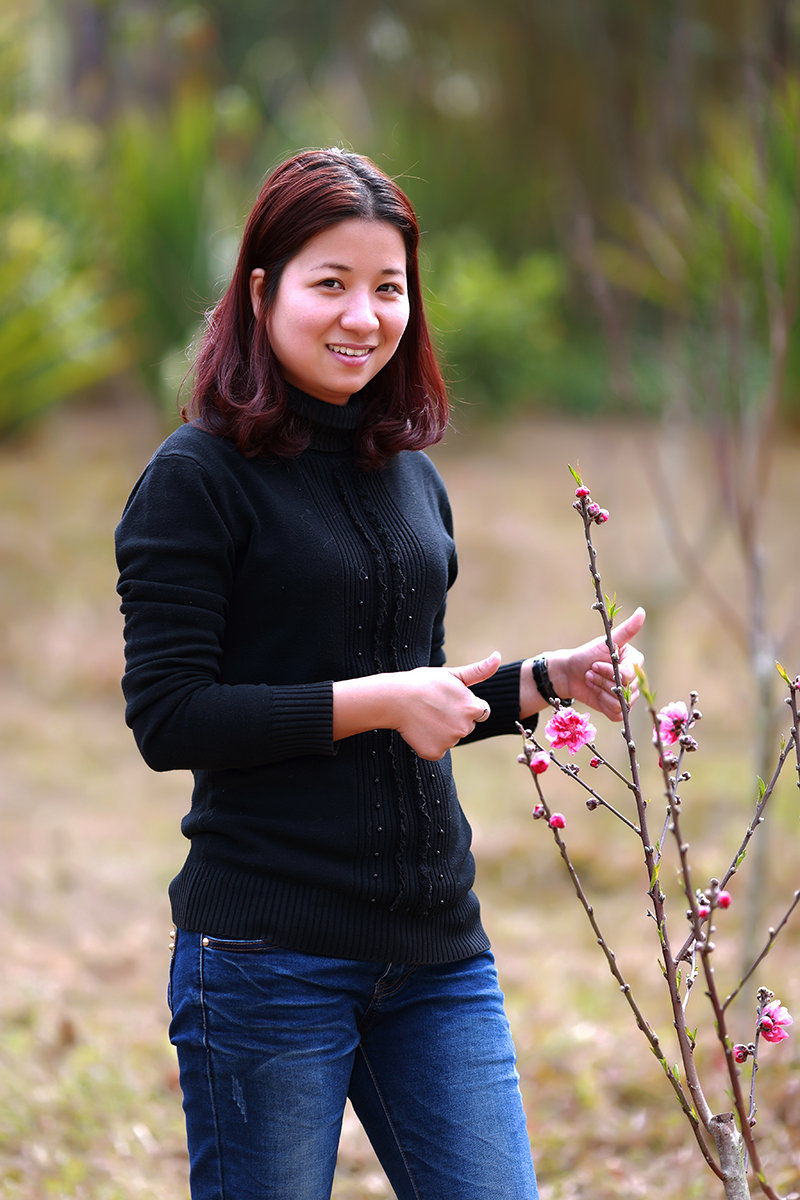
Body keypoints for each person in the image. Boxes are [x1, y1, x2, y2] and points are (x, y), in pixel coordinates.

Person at [115, 147, 645, 1200]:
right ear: (260, 292)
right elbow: (170, 719)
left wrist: (540, 681)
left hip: (436, 952)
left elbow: (407, 693)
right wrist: (381, 701)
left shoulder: (409, 476)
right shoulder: (194, 480)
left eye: (388, 287)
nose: (364, 315)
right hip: (267, 954)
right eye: (330, 284)